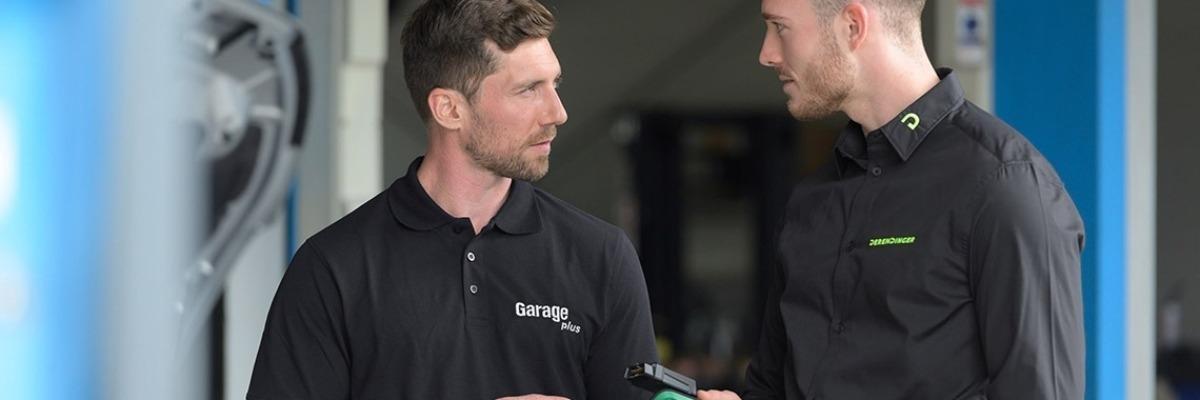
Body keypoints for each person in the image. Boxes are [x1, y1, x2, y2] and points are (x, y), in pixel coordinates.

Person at [246, 0, 658, 398]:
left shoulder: (601, 257)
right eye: (529, 90)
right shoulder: (333, 268)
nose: (557, 112)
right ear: (449, 109)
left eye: (555, 84)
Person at [699, 0, 1085, 398]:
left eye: (780, 27)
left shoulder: (1005, 188)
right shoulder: (811, 202)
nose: (766, 54)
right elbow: (769, 388)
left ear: (852, 26)